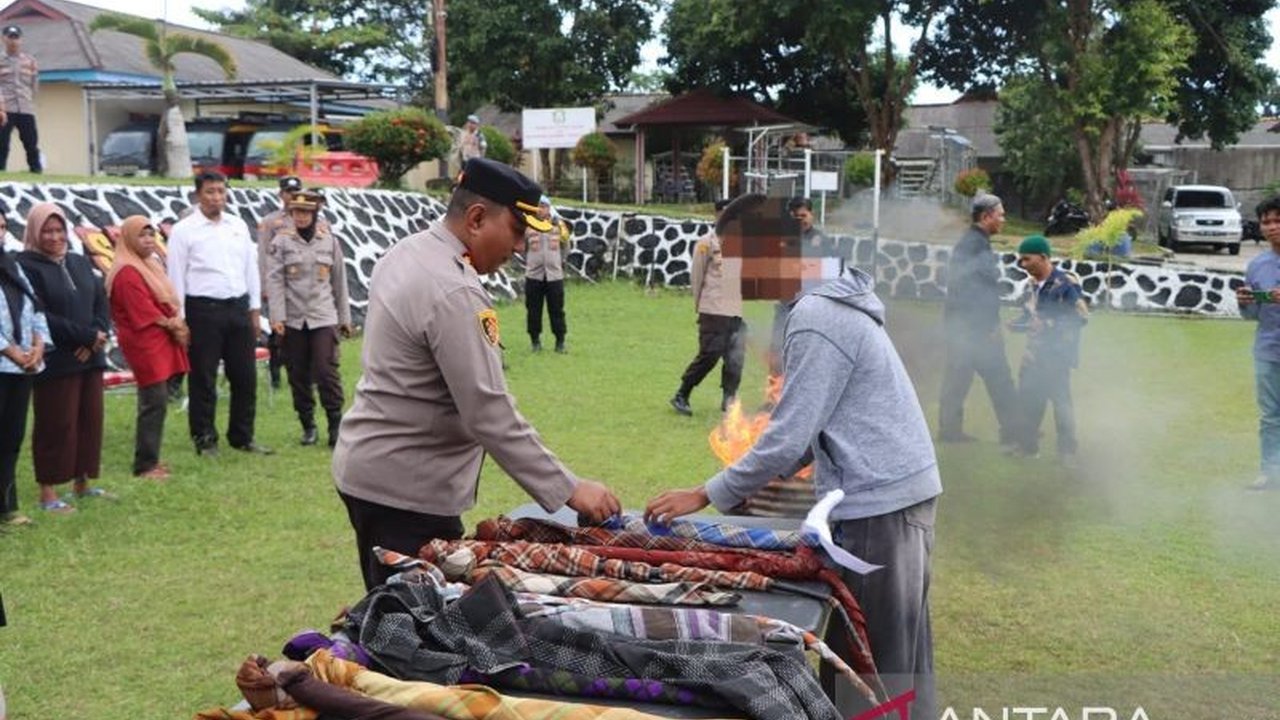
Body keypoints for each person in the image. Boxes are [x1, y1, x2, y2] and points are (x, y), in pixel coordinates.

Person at [645, 266, 941, 719]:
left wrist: (704, 493)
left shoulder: (817, 315)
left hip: (878, 504)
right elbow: (808, 435)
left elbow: (788, 436)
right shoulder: (831, 303)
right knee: (900, 658)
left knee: (868, 666)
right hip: (896, 496)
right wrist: (752, 484)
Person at [333, 158, 621, 590]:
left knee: (395, 614)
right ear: (476, 218)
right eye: (518, 231)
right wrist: (570, 489)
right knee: (416, 633)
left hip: (373, 471)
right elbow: (488, 412)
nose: (521, 248)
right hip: (406, 492)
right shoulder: (455, 289)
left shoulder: (409, 251)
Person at [166, 171, 272, 456]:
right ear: (198, 194)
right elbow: (176, 277)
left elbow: (250, 269)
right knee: (203, 378)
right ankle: (204, 438)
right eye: (210, 192)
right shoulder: (184, 230)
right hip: (203, 310)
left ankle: (242, 436)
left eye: (221, 192)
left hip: (237, 308)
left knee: (244, 377)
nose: (216, 197)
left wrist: (254, 312)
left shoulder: (237, 225)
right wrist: (181, 320)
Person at [17, 203, 111, 513]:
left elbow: (100, 300)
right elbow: (40, 314)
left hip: (89, 357)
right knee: (56, 423)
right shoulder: (26, 265)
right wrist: (83, 337)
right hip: (56, 359)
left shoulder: (78, 262)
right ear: (34, 232)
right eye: (47, 231)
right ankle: (48, 492)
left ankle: (82, 483)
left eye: (59, 230)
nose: (55, 237)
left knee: (89, 421)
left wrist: (96, 336)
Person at [106, 216, 191, 479]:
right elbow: (142, 312)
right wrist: (174, 324)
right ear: (129, 238)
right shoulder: (126, 271)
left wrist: (173, 320)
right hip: (145, 342)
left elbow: (166, 300)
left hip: (159, 338)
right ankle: (145, 465)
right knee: (153, 402)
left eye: (151, 235)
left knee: (159, 400)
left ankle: (151, 460)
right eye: (142, 235)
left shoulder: (147, 265)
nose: (148, 240)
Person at [266, 191, 352, 448]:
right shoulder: (281, 242)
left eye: (306, 212)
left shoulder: (329, 241)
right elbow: (275, 280)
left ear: (315, 214)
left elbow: (340, 280)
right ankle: (308, 425)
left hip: (323, 316)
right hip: (293, 319)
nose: (301, 217)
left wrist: (344, 317)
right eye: (296, 212)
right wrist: (277, 317)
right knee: (298, 373)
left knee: (326, 372)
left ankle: (335, 423)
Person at [938, 192, 1020, 446]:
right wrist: (989, 327)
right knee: (997, 378)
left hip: (963, 326)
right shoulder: (974, 245)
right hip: (973, 328)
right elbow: (977, 292)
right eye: (1000, 214)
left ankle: (952, 431)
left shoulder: (974, 243)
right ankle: (1015, 429)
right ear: (986, 216)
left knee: (960, 378)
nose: (1003, 220)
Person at [1008, 235, 1088, 466]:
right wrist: (1019, 324)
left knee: (1061, 404)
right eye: (1020, 260)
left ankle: (1067, 452)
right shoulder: (1033, 285)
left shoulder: (1066, 285)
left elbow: (1080, 317)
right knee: (1030, 401)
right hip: (1033, 355)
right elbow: (1031, 314)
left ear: (1043, 258)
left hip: (1057, 356)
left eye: (1027, 259)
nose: (1023, 265)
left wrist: (1050, 324)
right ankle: (1028, 447)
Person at [670, 198, 744, 416]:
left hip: (735, 309)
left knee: (735, 357)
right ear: (717, 216)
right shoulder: (706, 242)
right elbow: (697, 276)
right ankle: (682, 394)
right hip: (712, 309)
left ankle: (729, 399)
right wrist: (700, 306)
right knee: (709, 355)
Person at [1, 236, 48, 527]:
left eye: (2, 226)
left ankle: (7, 506)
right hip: (7, 360)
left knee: (11, 438)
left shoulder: (13, 267)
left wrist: (39, 345)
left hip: (22, 367)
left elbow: (36, 309)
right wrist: (10, 351)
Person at [1237, 195, 1280, 490]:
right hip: (1268, 350)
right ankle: (1270, 470)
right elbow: (1254, 315)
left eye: (1278, 220)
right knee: (1270, 415)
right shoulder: (1257, 266)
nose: (1272, 227)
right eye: (1266, 222)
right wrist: (1244, 302)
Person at [257, 176, 304, 390]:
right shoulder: (270, 221)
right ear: (281, 194)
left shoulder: (308, 218)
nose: (292, 196)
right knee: (278, 331)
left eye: (296, 191)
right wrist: (265, 286)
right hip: (279, 284)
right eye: (288, 192)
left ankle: (303, 374)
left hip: (303, 285)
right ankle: (275, 373)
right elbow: (263, 254)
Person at [523, 196, 569, 353]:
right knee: (533, 309)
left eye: (545, 206)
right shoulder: (528, 225)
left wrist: (559, 263)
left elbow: (566, 247)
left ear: (549, 208)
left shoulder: (558, 225)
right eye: (539, 207)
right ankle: (535, 341)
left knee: (557, 309)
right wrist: (529, 263)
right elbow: (523, 247)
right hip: (534, 275)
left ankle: (560, 341)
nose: (542, 210)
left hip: (554, 276)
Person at [0, 25, 40, 174]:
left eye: (16, 37)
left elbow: (34, 83)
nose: (13, 41)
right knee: (2, 144)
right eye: (10, 37)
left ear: (21, 39)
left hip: (25, 108)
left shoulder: (30, 61)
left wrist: (30, 100)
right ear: (3, 39)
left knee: (31, 143)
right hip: (5, 109)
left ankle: (36, 172)